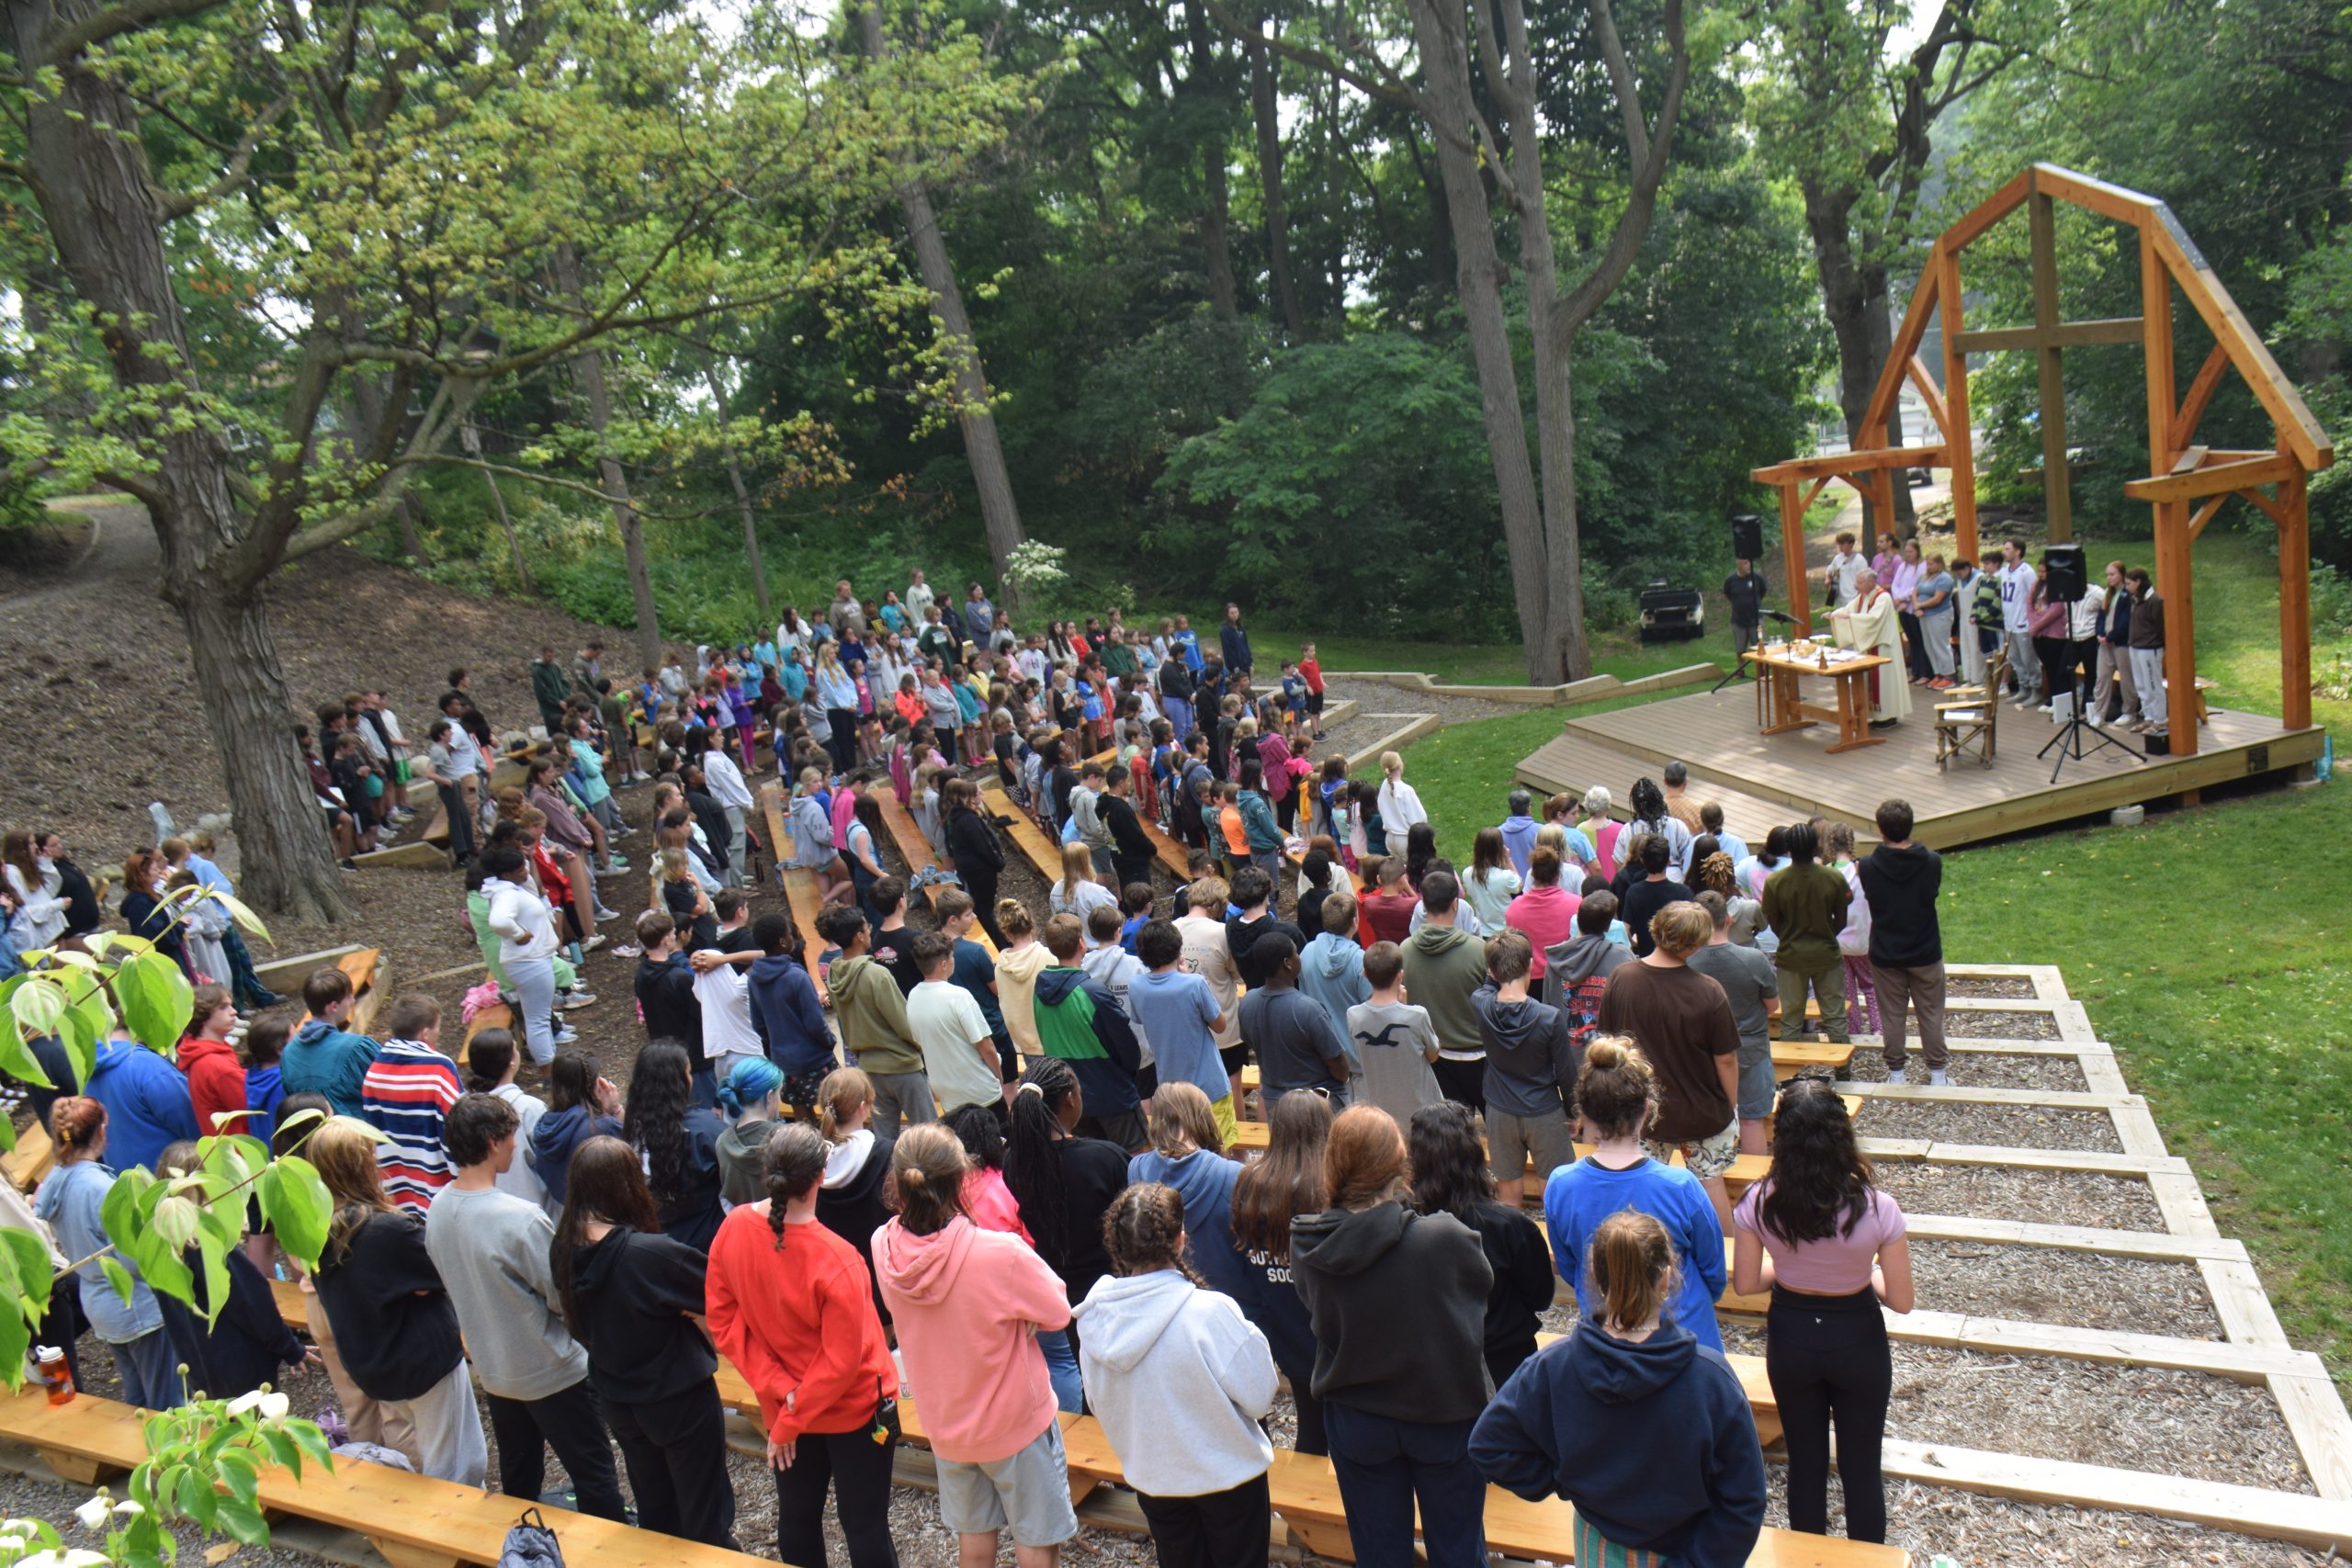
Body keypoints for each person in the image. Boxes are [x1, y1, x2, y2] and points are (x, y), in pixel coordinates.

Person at [1471, 1209, 1767, 1568]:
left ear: (1594, 1274)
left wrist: (1564, 1481)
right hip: (1686, 1549)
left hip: (1597, 1548)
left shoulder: (1554, 1366)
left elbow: (1489, 1445)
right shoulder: (1711, 1380)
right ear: (1667, 1278)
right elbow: (1745, 1498)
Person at [872, 1122, 1080, 1568]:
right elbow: (1059, 1310)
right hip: (1016, 1424)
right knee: (1036, 1543)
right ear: (961, 1179)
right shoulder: (999, 1253)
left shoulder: (883, 1246)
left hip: (946, 1423)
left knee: (975, 1542)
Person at [1292, 1105, 1493, 1568]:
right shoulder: (1444, 1239)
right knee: (1459, 1550)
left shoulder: (1307, 1244)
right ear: (1399, 1162)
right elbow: (1479, 1298)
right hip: (1443, 1414)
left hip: (1357, 1417)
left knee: (1380, 1554)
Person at [706, 1122, 900, 1568]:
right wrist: (792, 1414)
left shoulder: (734, 1228)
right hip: (849, 1410)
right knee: (865, 1525)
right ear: (821, 1176)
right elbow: (842, 1363)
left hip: (785, 1405)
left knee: (797, 1517)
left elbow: (724, 1320)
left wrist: (782, 1394)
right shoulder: (838, 1258)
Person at [424, 1094, 630, 1513]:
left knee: (519, 1477)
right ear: (491, 1142)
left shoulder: (438, 1207)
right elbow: (562, 1297)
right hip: (551, 1371)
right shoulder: (519, 1218)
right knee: (594, 1475)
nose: (516, 1146)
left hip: (495, 1370)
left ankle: (522, 1549)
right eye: (510, 1137)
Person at [1732, 1079, 1916, 1544]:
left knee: (1806, 1466)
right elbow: (1902, 1300)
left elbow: (1748, 1283)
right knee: (1861, 1469)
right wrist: (1862, 1274)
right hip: (1858, 1338)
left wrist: (1791, 1270)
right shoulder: (1879, 1208)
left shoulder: (1758, 1201)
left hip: (1792, 1337)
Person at [1076, 1183, 1278, 1568]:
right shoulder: (1209, 1313)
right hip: (1228, 1478)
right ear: (1180, 1240)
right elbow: (1260, 1395)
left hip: (1155, 1478)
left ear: (1117, 1246)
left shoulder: (1096, 1319)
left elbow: (1099, 1403)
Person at [551, 1134, 736, 1547]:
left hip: (617, 1398)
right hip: (679, 1400)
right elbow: (723, 1293)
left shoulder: (562, 1246)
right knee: (706, 1516)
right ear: (629, 1185)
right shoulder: (650, 1254)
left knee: (655, 1508)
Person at [310, 1116, 489, 1483]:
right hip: (422, 1362)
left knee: (425, 1450)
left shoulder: (314, 1232)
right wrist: (419, 1285)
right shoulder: (384, 1230)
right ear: (361, 1165)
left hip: (374, 1365)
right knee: (458, 1463)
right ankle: (451, 1532)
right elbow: (445, 1269)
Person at [1544, 1038, 1725, 1350]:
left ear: (1584, 1113)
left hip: (1606, 1336)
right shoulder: (1680, 1185)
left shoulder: (1561, 1185)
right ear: (1646, 1109)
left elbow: (1572, 1268)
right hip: (1684, 1336)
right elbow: (1713, 1269)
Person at [1598, 901, 1742, 1229]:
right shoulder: (1709, 991)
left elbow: (1607, 1042)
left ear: (1656, 928)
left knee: (1637, 1187)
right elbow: (1726, 1058)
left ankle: (1635, 1252)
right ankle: (1725, 1259)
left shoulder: (1621, 979)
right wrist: (1730, 1103)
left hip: (1640, 1108)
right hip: (1702, 1109)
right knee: (1711, 1182)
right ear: (1694, 944)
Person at [36, 1098, 184, 1409]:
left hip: (100, 1302)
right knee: (165, 1400)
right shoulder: (101, 1188)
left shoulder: (57, 1179)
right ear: (101, 1131)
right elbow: (132, 1258)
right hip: (134, 1305)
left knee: (135, 1396)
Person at [1408, 1101, 1553, 1386]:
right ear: (1474, 1152)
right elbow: (1540, 1297)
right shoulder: (1511, 1226)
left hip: (1433, 1366)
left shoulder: (1405, 1223)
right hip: (1506, 1363)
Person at [1227, 1089, 1331, 1453]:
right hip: (1333, 1328)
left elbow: (1242, 1254)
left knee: (1311, 1425)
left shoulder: (1250, 1182)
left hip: (1282, 1325)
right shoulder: (1329, 1185)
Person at [1471, 931, 1577, 1207]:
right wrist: (1573, 1113)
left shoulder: (1480, 1004)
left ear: (1491, 970)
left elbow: (1486, 985)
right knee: (1555, 1192)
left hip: (1499, 1109)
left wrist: (1494, 963)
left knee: (1507, 1192)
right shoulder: (1549, 1017)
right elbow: (1566, 1073)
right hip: (1544, 1110)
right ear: (1530, 965)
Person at [1031, 915, 1147, 1149]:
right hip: (1113, 1095)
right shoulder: (1092, 993)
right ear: (1081, 943)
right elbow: (1127, 1048)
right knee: (1136, 1158)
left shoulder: (1039, 992)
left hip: (1071, 1099)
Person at [816, 904, 933, 1134]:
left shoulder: (833, 973)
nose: (870, 930)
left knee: (884, 1137)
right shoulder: (876, 974)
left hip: (868, 1068)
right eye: (866, 927)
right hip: (902, 1065)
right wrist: (921, 1047)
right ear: (859, 936)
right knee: (928, 1134)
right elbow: (903, 1022)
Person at [1858, 797, 1948, 1086]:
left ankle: (1896, 1074)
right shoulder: (1932, 861)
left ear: (1881, 831)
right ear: (1910, 827)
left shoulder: (1868, 866)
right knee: (1931, 1012)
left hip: (1887, 952)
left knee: (1891, 1015)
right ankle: (1938, 1074)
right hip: (1925, 950)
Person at [1687, 891, 1781, 1155]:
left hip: (1702, 1054)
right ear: (1728, 919)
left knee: (1708, 1125)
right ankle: (1754, 1191)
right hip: (1750, 1049)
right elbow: (1773, 1006)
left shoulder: (1686, 962)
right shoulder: (1753, 959)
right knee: (1752, 1121)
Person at [360, 994, 464, 1213]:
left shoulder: (374, 1071)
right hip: (436, 1182)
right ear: (425, 1033)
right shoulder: (439, 1069)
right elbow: (457, 1126)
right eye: (438, 1027)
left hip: (394, 1183)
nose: (440, 1032)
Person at [624, 1039, 726, 1251]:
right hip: (708, 1239)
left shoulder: (631, 1130)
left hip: (656, 1240)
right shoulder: (704, 1130)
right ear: (678, 1082)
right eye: (689, 1073)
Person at [1400, 871, 1487, 1110]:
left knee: (1453, 1134)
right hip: (1478, 1058)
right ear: (1455, 904)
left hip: (1435, 1059)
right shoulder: (1478, 951)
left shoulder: (1404, 951)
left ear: (1423, 905)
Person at [1761, 822, 1851, 1047]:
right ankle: (1843, 1073)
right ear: (1815, 847)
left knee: (1791, 1018)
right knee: (1834, 1016)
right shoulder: (1834, 877)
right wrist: (1826, 934)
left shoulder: (1775, 882)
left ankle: (1791, 1077)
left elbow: (1773, 922)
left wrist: (1790, 936)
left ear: (1788, 850)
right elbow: (1841, 919)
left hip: (1791, 957)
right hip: (1826, 955)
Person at [907, 930, 1003, 1117]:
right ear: (944, 964)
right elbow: (986, 1046)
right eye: (951, 957)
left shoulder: (913, 997)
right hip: (980, 1091)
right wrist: (998, 1076)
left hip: (948, 1095)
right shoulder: (959, 996)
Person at [1346, 941, 1442, 1126]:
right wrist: (1404, 1007)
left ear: (1364, 975)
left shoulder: (1354, 1015)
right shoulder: (1417, 1015)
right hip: (1422, 1113)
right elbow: (1433, 1055)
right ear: (1400, 976)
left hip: (1381, 1116)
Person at [530, 1052, 624, 1209]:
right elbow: (629, 1158)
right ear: (594, 1085)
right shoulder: (602, 1127)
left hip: (564, 1213)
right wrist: (616, 1110)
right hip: (603, 1213)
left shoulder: (545, 1124)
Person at [1828, 569, 1911, 728]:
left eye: (1859, 582)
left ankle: (1888, 717)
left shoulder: (1883, 597)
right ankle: (1875, 716)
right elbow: (1848, 609)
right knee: (1871, 682)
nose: (1856, 585)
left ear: (1871, 582)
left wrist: (1850, 617)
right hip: (1870, 646)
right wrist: (1835, 614)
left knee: (1885, 683)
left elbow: (1873, 619)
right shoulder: (1863, 596)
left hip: (1883, 647)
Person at [1504, 847, 1580, 987]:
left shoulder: (1514, 908)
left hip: (1529, 982)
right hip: (1565, 978)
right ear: (1558, 875)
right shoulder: (1576, 904)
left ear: (1532, 875)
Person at [1617, 832, 1692, 958]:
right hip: (1677, 959)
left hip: (1646, 959)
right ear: (1668, 862)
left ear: (1643, 860)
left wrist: (1633, 943)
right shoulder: (1683, 892)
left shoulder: (1633, 892)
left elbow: (1625, 929)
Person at [1996, 538, 2043, 706]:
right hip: (2009, 623)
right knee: (2014, 657)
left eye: (2007, 549)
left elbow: (2035, 596)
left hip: (2023, 623)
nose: (2004, 552)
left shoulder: (2026, 572)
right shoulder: (2004, 571)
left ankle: (2036, 689)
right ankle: (2023, 687)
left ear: (2017, 551)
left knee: (2028, 658)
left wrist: (2033, 619)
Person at [2126, 566, 2167, 732]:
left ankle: (2159, 719)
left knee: (2153, 685)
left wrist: (2155, 642)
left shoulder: (2155, 601)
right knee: (2141, 685)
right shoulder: (2136, 599)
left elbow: (2160, 626)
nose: (2127, 587)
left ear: (2138, 582)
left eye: (2129, 583)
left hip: (2149, 649)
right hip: (2135, 646)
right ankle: (2148, 717)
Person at [1374, 750, 1427, 849]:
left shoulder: (1385, 785)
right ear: (1399, 765)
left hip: (1390, 839)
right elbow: (1419, 818)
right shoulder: (1406, 790)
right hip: (1405, 839)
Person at [1724, 556, 1769, 669]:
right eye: (1745, 563)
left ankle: (1762, 670)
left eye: (1749, 562)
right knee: (1740, 648)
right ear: (1738, 564)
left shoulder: (1757, 578)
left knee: (1759, 646)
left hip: (1756, 619)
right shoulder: (1731, 581)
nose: (1748, 565)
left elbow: (1763, 591)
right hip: (1739, 619)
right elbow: (1727, 594)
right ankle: (1740, 670)